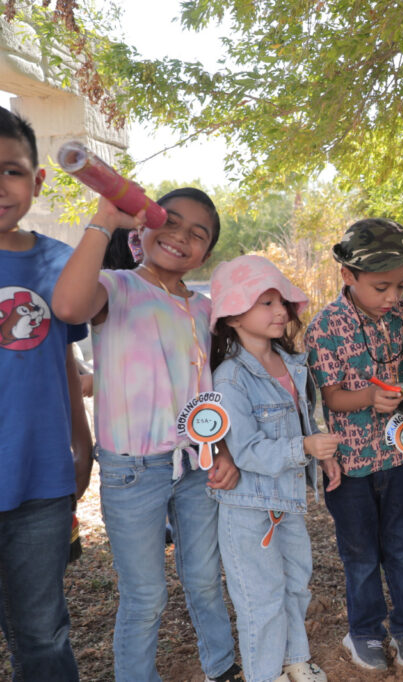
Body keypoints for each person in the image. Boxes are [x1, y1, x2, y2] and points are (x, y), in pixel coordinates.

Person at [52, 188, 244, 682]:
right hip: (133, 470)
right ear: (143, 227)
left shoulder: (205, 310)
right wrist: (103, 220)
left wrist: (220, 450)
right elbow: (70, 306)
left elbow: (207, 392)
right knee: (145, 594)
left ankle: (221, 668)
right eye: (170, 222)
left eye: (197, 235)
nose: (180, 238)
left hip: (198, 465)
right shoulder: (115, 287)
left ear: (207, 252)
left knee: (204, 578)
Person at [304, 218, 403, 673]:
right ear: (348, 276)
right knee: (359, 554)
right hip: (350, 464)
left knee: (401, 548)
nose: (393, 297)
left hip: (396, 458)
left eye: (400, 285)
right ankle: (364, 632)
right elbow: (333, 396)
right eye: (381, 287)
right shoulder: (325, 328)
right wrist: (370, 398)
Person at [209, 255, 341, 682]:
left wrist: (323, 454)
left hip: (286, 501)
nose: (280, 311)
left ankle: (294, 661)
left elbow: (304, 420)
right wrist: (305, 446)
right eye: (265, 302)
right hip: (249, 509)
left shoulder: (290, 364)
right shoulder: (230, 377)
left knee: (295, 584)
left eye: (281, 301)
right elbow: (246, 450)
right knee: (259, 600)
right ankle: (264, 675)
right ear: (232, 316)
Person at [0, 105, 92, 681]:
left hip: (39, 486)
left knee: (41, 634)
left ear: (37, 181)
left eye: (11, 170)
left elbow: (64, 362)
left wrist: (82, 448)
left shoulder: (60, 264)